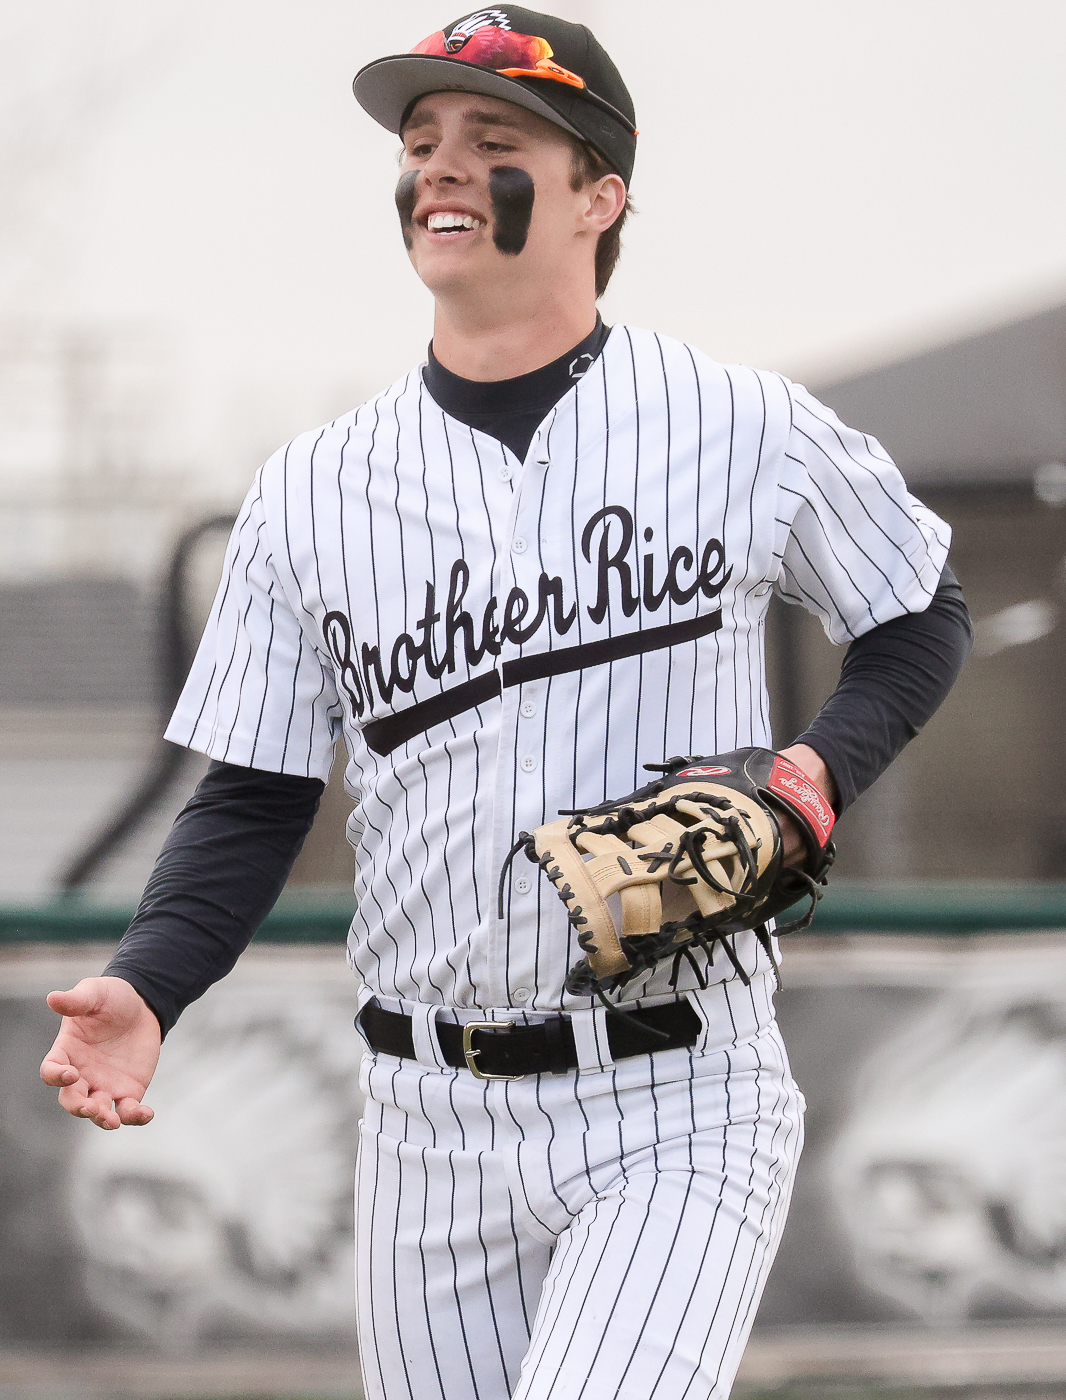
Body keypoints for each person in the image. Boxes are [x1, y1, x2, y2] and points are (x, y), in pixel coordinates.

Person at [41, 8, 972, 1397]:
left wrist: (811, 773)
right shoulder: (312, 493)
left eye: (493, 138)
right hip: (424, 1122)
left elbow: (915, 613)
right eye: (421, 141)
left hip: (675, 1092)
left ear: (600, 194)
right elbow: (252, 795)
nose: (440, 165)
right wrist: (147, 981)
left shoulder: (743, 426)